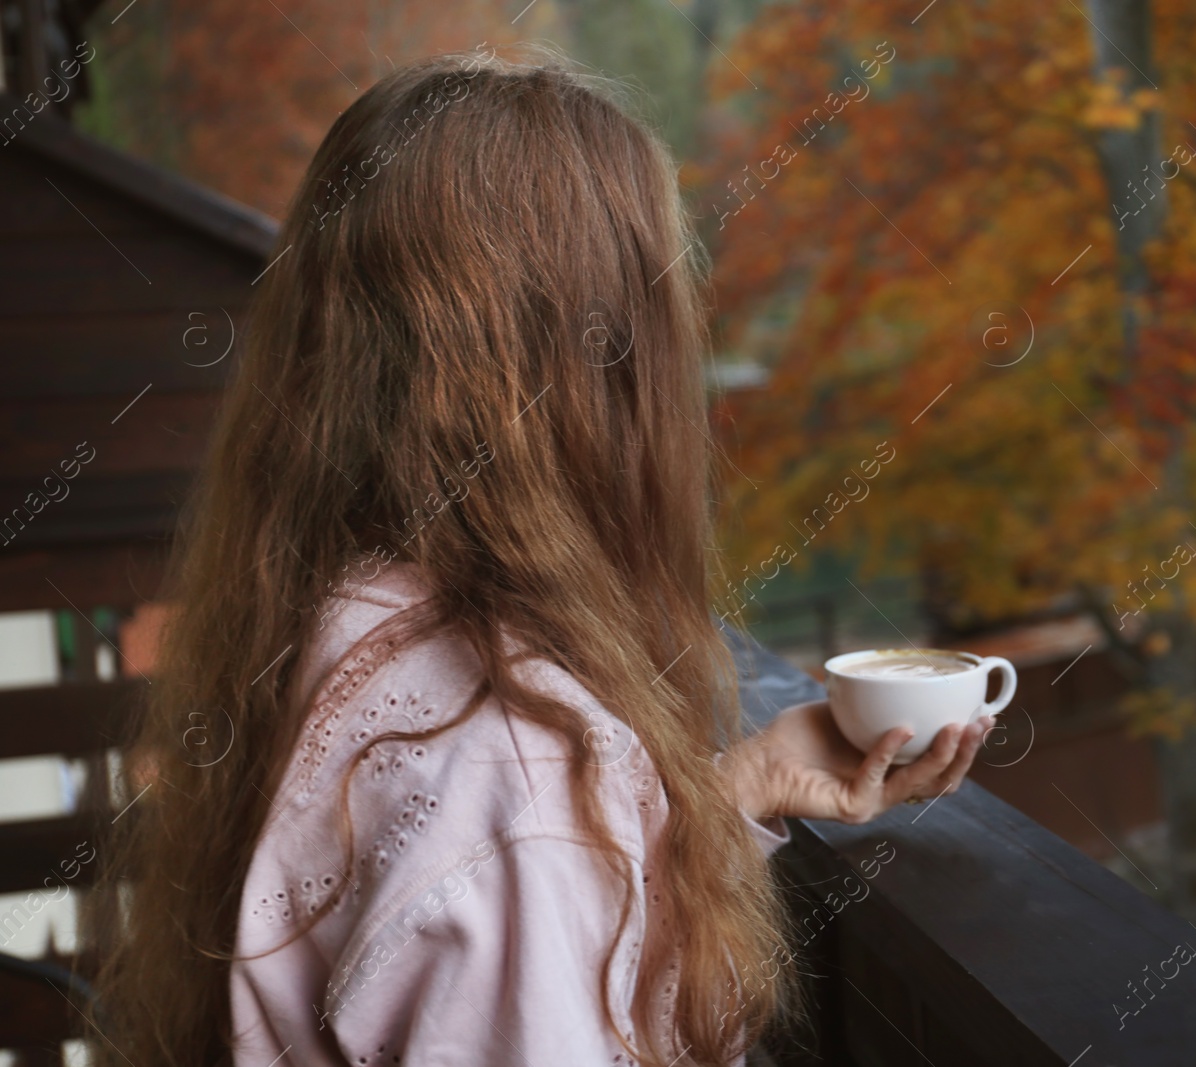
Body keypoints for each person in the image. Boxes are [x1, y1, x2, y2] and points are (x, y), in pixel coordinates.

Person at [90, 49, 989, 1067]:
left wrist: (730, 791)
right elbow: (511, 880)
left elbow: (498, 925)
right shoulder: (507, 768)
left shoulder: (353, 620)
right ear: (596, 364)